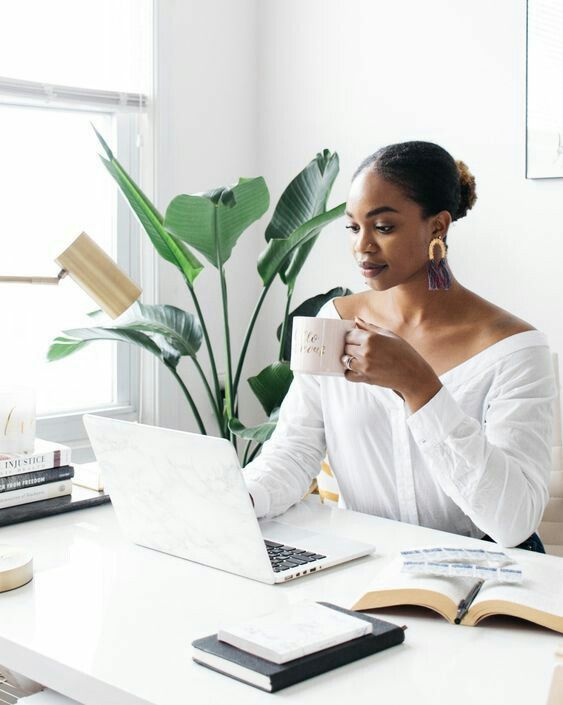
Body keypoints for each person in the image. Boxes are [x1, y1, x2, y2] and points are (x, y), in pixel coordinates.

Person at [244, 140, 556, 552]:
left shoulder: (515, 350)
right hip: (371, 565)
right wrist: (238, 498)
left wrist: (420, 387)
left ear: (438, 227)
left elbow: (513, 522)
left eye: (384, 227)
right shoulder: (331, 323)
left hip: (490, 571)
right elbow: (293, 452)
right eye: (354, 227)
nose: (362, 246)